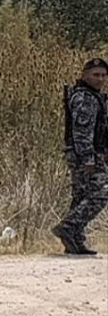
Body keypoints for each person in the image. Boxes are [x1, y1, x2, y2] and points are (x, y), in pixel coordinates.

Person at [53, 56, 108, 257]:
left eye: (103, 75)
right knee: (101, 194)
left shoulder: (95, 97)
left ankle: (75, 240)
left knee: (81, 197)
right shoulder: (84, 98)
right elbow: (81, 132)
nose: (100, 79)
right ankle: (68, 227)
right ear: (84, 75)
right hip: (84, 156)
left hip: (91, 154)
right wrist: (88, 159)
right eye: (95, 75)